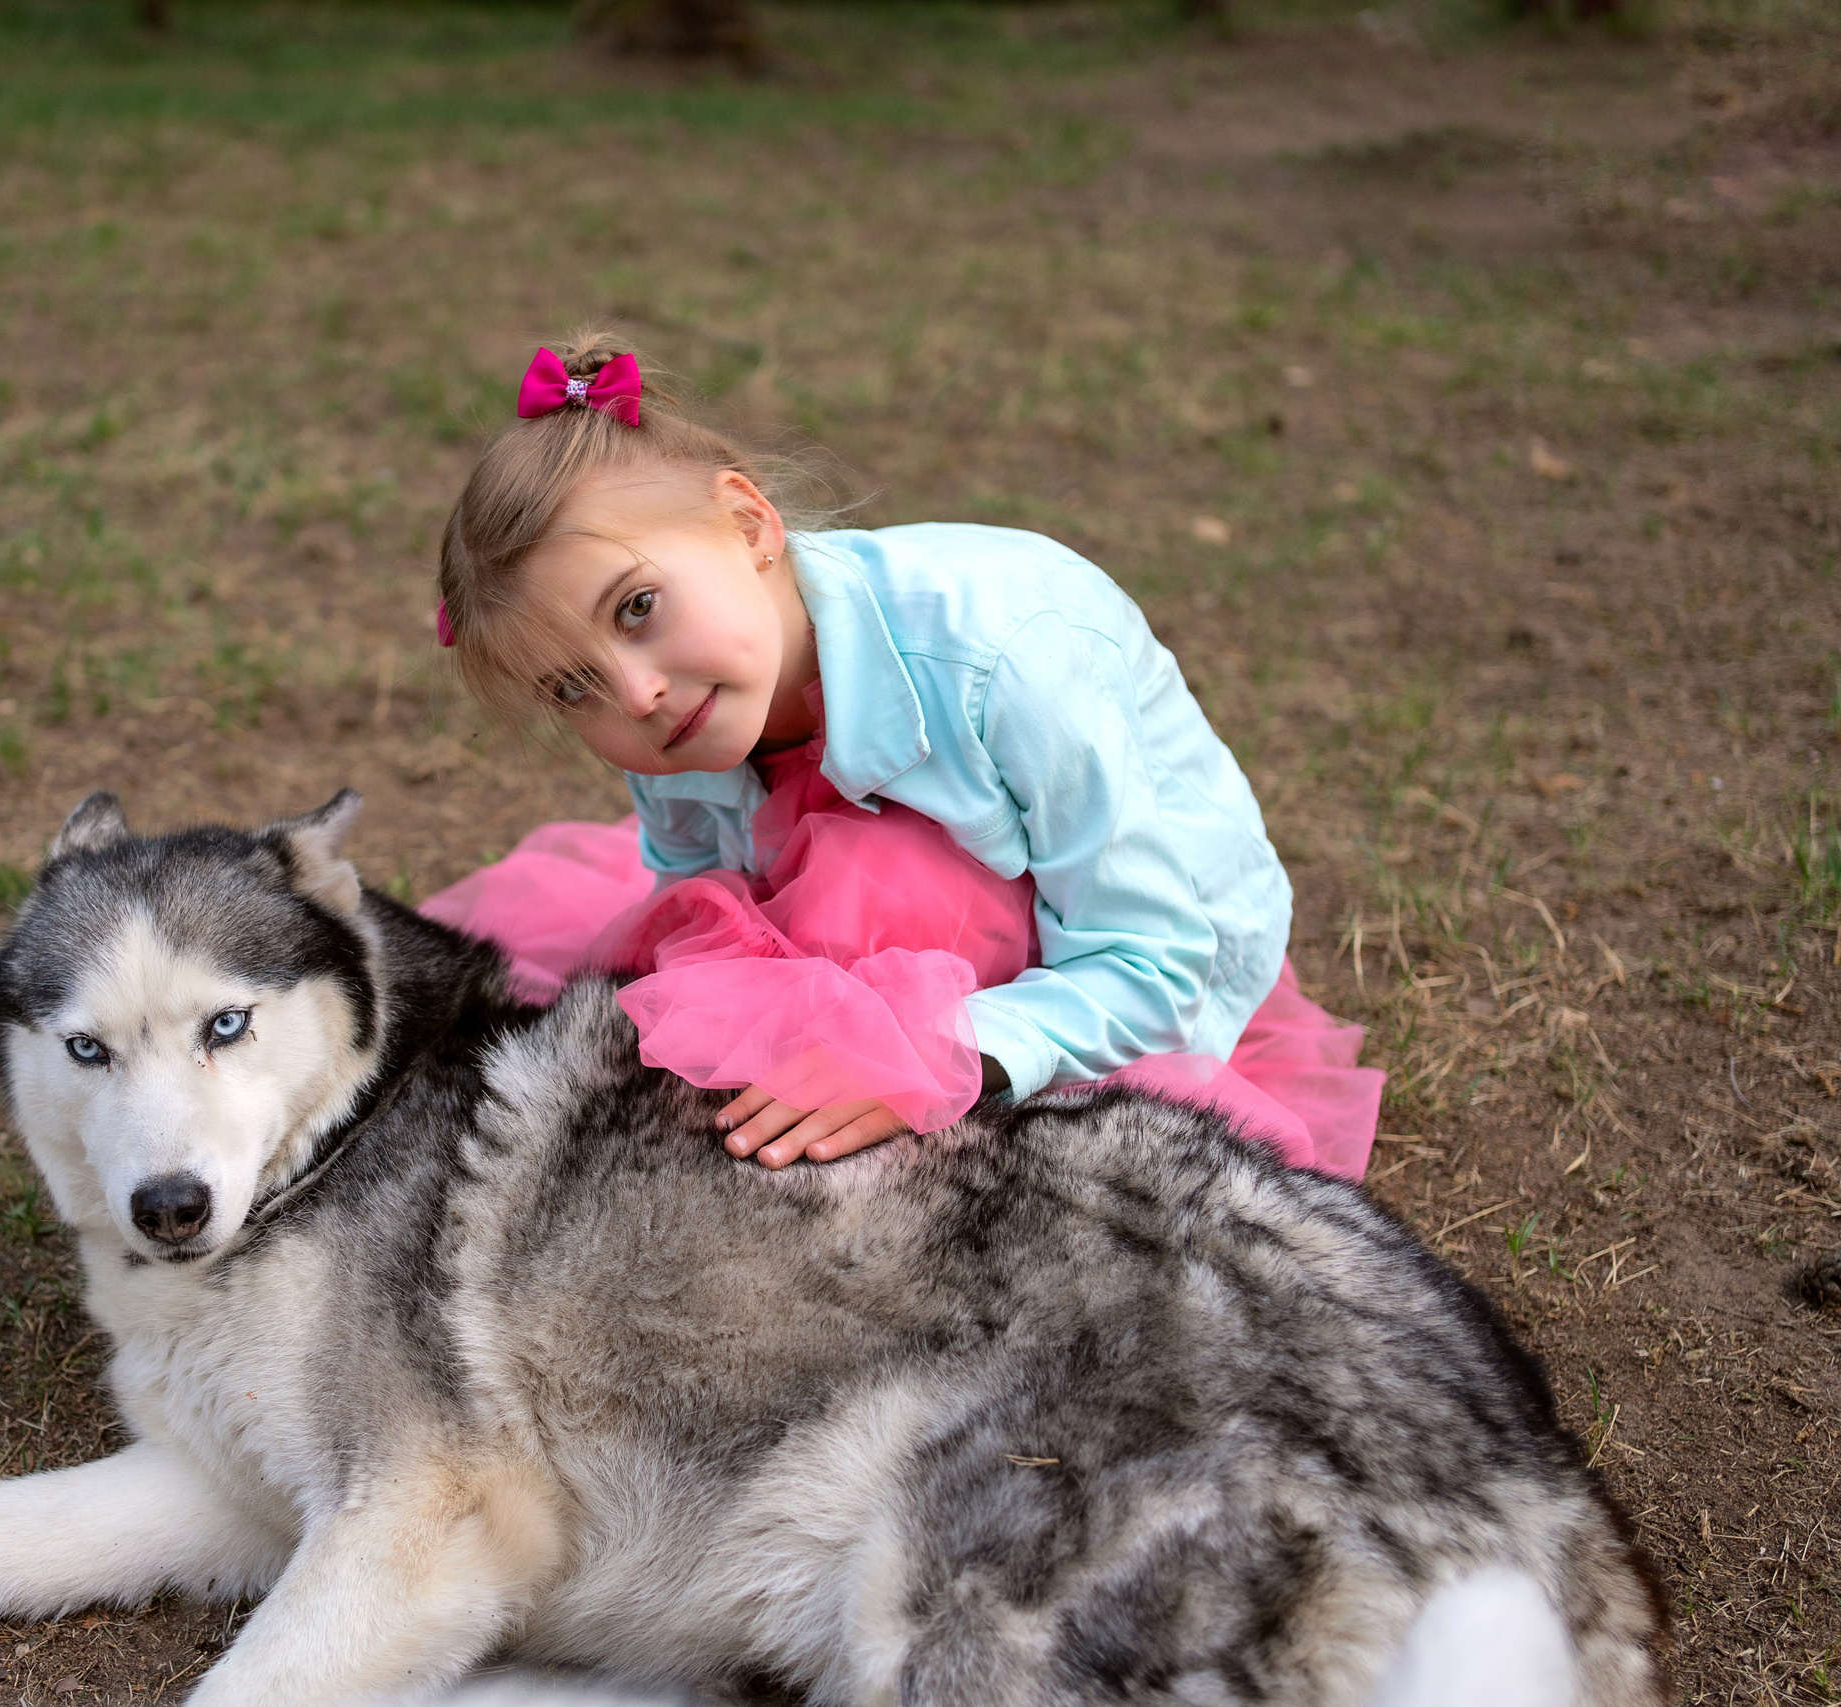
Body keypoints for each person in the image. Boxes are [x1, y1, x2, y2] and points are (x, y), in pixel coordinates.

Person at [420, 333, 1383, 1180]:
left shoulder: (1008, 654)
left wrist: (917, 1059)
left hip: (1125, 937)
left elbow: (1154, 961)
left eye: (638, 607)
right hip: (924, 920)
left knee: (885, 896)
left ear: (749, 525)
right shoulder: (672, 716)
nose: (634, 695)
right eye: (571, 687)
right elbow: (702, 897)